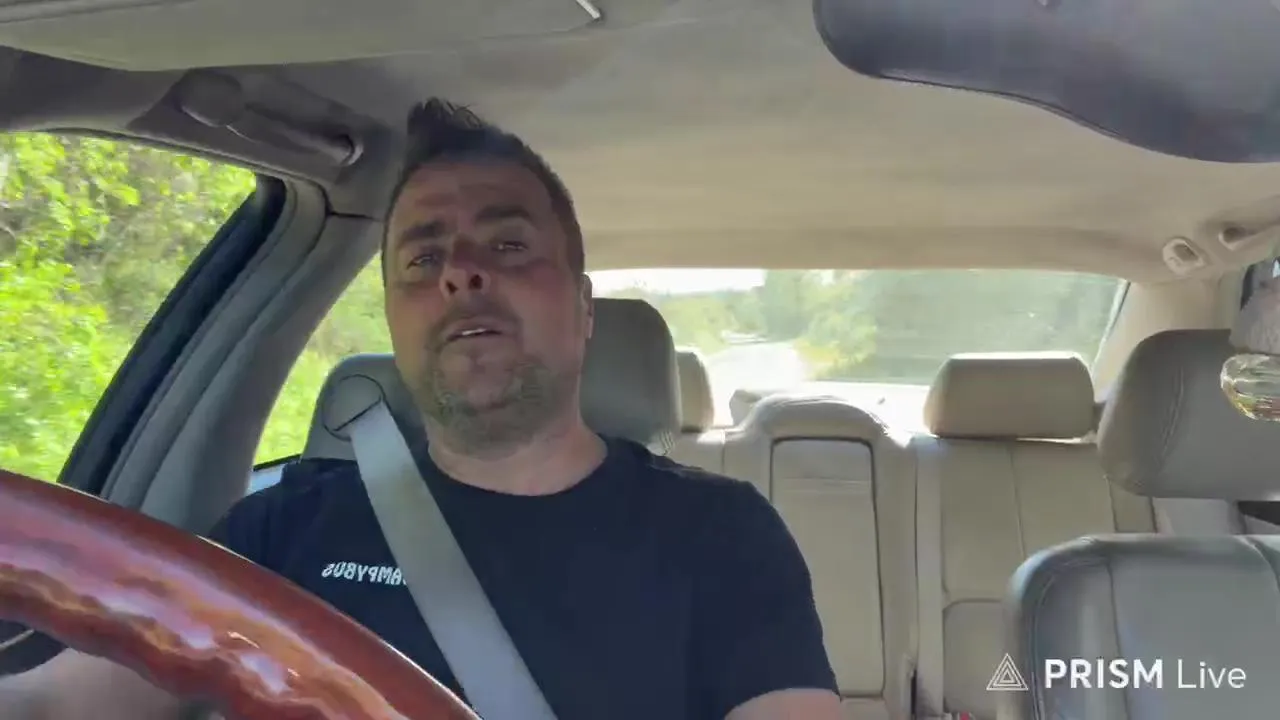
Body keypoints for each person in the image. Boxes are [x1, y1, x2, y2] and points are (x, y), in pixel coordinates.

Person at [0, 99, 841, 720]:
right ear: (396, 323)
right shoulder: (280, 530)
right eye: (422, 257)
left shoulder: (721, 536)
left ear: (583, 310)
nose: (461, 272)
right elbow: (60, 705)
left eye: (507, 244)